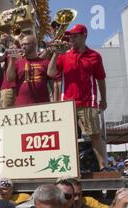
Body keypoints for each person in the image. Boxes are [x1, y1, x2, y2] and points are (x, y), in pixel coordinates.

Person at [48, 24, 108, 171]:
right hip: (67, 103)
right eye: (70, 36)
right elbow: (50, 73)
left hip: (88, 102)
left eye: (75, 36)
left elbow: (101, 79)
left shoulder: (95, 56)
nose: (71, 38)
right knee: (69, 136)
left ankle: (103, 166)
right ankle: (71, 167)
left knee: (94, 134)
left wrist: (104, 99)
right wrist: (56, 53)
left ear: (84, 36)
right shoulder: (64, 55)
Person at [7, 35, 52, 106]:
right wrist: (12, 60)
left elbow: (52, 83)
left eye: (25, 44)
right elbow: (9, 78)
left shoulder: (45, 62)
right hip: (22, 104)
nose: (23, 47)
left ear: (34, 44)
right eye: (21, 45)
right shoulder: (17, 63)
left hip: (43, 104)